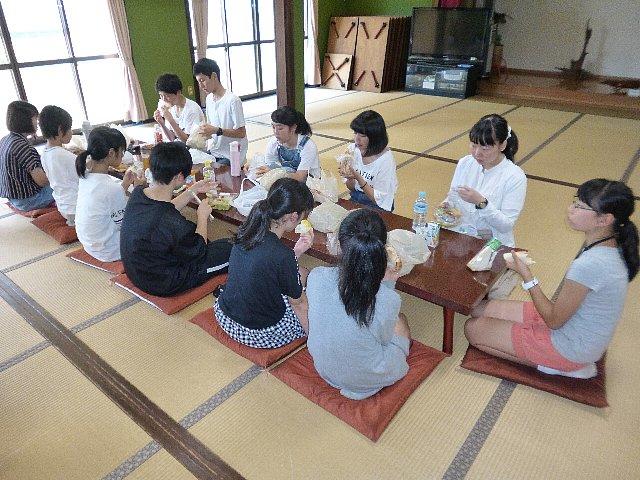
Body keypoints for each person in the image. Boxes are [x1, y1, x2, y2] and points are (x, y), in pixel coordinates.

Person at [465, 179, 639, 379]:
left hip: (571, 347)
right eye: (575, 201)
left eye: (580, 207)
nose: (571, 209)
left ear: (604, 220)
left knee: (472, 329)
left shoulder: (590, 264)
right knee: (477, 309)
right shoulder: (610, 243)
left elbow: (554, 321)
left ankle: (563, 367)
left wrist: (526, 275)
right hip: (573, 323)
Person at [305, 209, 411, 399]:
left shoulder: (316, 276)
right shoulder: (387, 298)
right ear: (382, 250)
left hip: (324, 369)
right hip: (365, 379)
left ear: (339, 245)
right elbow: (384, 339)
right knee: (401, 321)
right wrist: (387, 284)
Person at [120, 142, 232, 297]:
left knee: (220, 244)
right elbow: (199, 250)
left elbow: (165, 208)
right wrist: (202, 216)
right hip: (164, 282)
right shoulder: (173, 223)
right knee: (233, 249)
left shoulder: (139, 193)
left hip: (137, 271)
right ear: (179, 177)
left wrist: (192, 190)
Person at [214, 178, 314, 348]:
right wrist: (314, 341)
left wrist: (295, 252)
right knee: (311, 293)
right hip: (258, 332)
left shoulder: (248, 231)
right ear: (293, 216)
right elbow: (299, 304)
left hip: (225, 316)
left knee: (300, 274)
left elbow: (267, 265)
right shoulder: (282, 255)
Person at [445, 114, 526, 247]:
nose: (477, 153)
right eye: (473, 145)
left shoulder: (515, 176)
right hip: (462, 238)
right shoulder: (465, 163)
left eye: (485, 148)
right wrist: (446, 206)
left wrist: (481, 202)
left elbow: (506, 225)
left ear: (502, 145)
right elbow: (453, 196)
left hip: (494, 244)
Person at [75, 127, 138, 262]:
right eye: (122, 152)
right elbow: (127, 224)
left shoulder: (85, 174)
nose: (122, 156)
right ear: (111, 153)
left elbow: (106, 200)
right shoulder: (111, 188)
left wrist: (124, 185)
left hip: (90, 244)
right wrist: (138, 191)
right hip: (110, 250)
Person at [0, 100, 54, 211]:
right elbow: (42, 181)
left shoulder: (5, 140)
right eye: (35, 118)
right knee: (68, 184)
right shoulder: (24, 147)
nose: (37, 122)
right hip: (29, 201)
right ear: (25, 121)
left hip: (13, 198)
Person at [193, 58, 248, 165]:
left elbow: (241, 133)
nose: (201, 86)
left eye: (202, 80)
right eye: (198, 82)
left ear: (214, 76)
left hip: (231, 155)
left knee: (213, 172)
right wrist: (204, 132)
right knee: (194, 164)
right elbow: (211, 127)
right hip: (215, 150)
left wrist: (216, 130)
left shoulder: (233, 100)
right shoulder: (209, 99)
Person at [339, 110, 397, 212]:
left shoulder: (385, 160)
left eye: (363, 135)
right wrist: (350, 178)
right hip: (356, 197)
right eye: (355, 133)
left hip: (378, 205)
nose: (357, 139)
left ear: (375, 137)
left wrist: (358, 177)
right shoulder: (352, 150)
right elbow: (351, 188)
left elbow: (379, 200)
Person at [255, 106, 320, 182]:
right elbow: (269, 165)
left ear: (293, 128)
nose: (276, 132)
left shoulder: (308, 146)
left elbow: (300, 177)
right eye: (273, 127)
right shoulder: (274, 143)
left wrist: (276, 174)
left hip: (310, 184)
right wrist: (254, 168)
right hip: (286, 179)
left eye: (280, 128)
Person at [39, 105, 78, 226]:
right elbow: (86, 174)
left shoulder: (45, 153)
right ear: (60, 130)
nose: (71, 132)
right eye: (70, 128)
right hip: (77, 207)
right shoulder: (64, 155)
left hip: (63, 206)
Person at [153, 73, 205, 143]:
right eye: (161, 95)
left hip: (194, 147)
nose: (164, 99)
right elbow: (172, 138)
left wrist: (171, 120)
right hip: (178, 146)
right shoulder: (171, 107)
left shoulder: (192, 109)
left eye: (167, 96)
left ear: (178, 92)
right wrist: (162, 123)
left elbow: (188, 142)